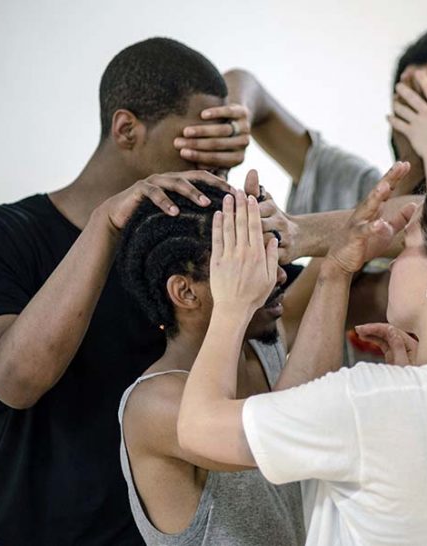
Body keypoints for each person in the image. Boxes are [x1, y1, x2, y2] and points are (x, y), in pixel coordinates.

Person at [0, 37, 256, 546]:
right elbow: (16, 379)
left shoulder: (183, 249)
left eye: (218, 135)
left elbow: (287, 289)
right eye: (194, 136)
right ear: (126, 129)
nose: (209, 155)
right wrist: (105, 226)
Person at [175, 171, 427, 545]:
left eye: (406, 246)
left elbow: (197, 428)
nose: (393, 264)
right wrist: (336, 271)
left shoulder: (372, 402)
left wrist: (232, 303)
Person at [177, 27, 427, 324]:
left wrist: (300, 231)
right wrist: (233, 114)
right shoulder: (360, 188)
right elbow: (251, 90)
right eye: (417, 103)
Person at [116, 178, 310, 545]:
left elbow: (306, 398)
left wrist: (338, 270)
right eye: (250, 261)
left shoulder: (260, 347)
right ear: (185, 291)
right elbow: (289, 438)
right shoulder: (155, 404)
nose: (279, 274)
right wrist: (236, 304)